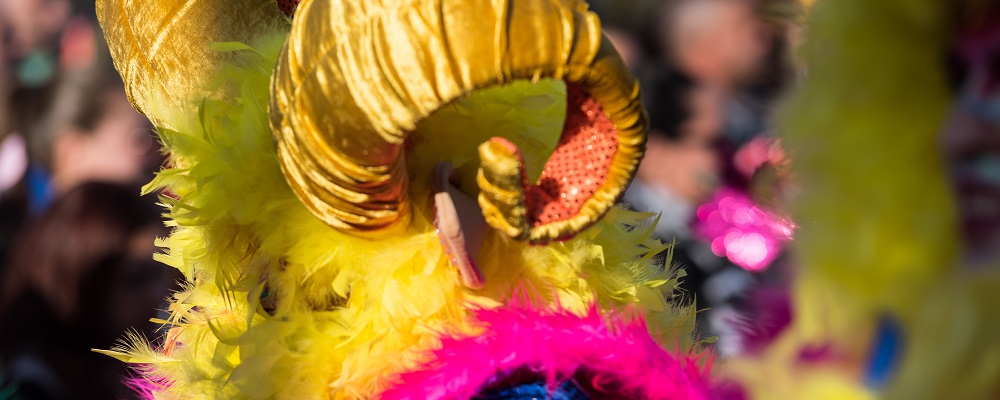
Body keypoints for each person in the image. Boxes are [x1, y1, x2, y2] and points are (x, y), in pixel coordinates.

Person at [0, 182, 178, 400]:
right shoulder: (29, 388)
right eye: (135, 280)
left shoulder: (146, 368)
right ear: (80, 282)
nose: (156, 293)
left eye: (159, 273)